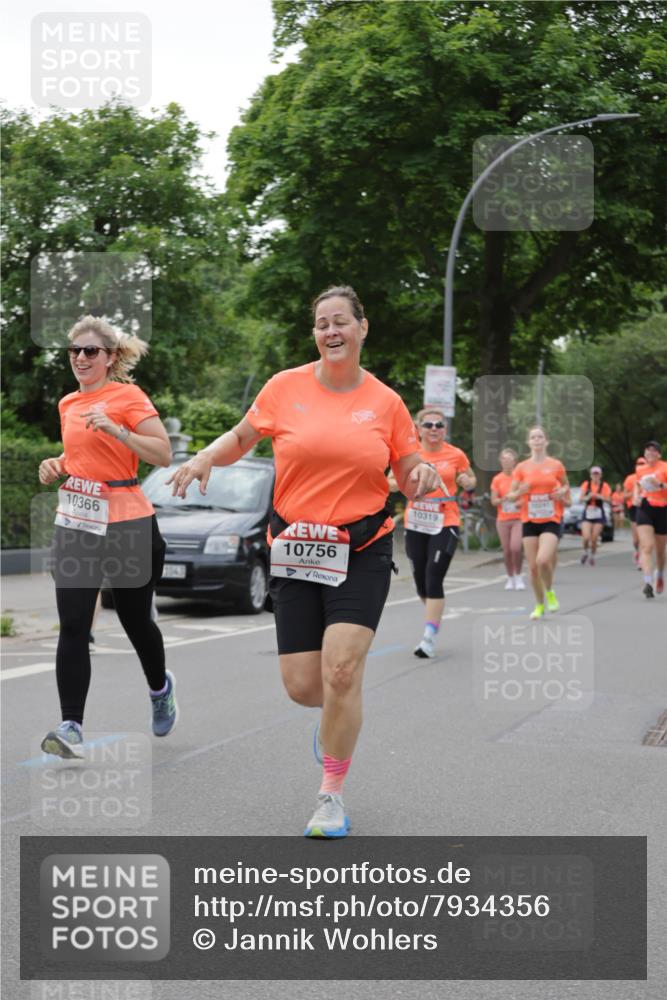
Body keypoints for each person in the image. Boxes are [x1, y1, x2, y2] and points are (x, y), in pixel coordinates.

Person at [167, 286, 440, 838]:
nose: (331, 331)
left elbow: (408, 469)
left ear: (363, 328)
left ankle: (331, 795)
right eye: (321, 324)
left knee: (341, 670)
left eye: (341, 321)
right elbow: (244, 436)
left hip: (360, 547)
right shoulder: (283, 387)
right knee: (303, 685)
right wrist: (203, 457)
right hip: (293, 548)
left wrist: (424, 477)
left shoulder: (386, 402)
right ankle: (335, 718)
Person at [38, 316, 177, 759]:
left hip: (128, 522)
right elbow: (83, 455)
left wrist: (119, 429)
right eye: (74, 351)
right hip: (78, 521)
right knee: (74, 625)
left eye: (91, 351)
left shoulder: (128, 396)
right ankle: (71, 726)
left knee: (137, 622)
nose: (81, 358)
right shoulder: (67, 404)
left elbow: (163, 452)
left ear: (110, 357)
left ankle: (160, 688)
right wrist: (56, 463)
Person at [391, 407, 475, 659]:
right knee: (420, 585)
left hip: (445, 520)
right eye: (428, 425)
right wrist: (404, 482)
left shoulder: (455, 454)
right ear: (418, 428)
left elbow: (470, 479)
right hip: (416, 521)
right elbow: (388, 481)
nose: (434, 429)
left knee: (433, 577)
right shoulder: (409, 453)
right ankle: (435, 615)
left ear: (445, 429)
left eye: (439, 424)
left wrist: (467, 483)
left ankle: (429, 636)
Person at [505, 426, 570, 620]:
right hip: (529, 519)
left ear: (546, 441)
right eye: (533, 437)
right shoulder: (521, 468)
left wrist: (562, 492)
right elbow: (510, 496)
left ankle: (549, 591)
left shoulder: (556, 465)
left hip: (550, 518)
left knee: (543, 560)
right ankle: (539, 604)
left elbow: (565, 485)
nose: (537, 440)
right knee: (533, 567)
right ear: (529, 442)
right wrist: (519, 492)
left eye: (540, 437)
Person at [632, 441, 667, 598]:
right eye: (648, 450)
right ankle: (648, 582)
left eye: (654, 451)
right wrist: (635, 497)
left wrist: (660, 485)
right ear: (645, 453)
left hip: (663, 509)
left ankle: (659, 575)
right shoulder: (640, 469)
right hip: (645, 507)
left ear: (659, 454)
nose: (650, 453)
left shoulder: (665, 467)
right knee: (646, 547)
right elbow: (637, 485)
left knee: (660, 551)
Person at [490, 448, 524, 590]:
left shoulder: (520, 478)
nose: (507, 462)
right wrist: (503, 500)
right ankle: (510, 578)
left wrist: (516, 503)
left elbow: (525, 498)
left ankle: (519, 575)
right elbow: (493, 501)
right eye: (504, 459)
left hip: (518, 518)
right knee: (507, 550)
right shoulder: (497, 479)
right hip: (503, 519)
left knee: (516, 547)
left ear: (514, 462)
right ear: (501, 462)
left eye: (509, 460)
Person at [578, 466, 611, 566]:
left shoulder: (604, 486)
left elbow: (608, 499)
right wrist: (588, 497)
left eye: (597, 474)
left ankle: (592, 555)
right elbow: (581, 499)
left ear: (600, 475)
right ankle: (585, 552)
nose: (595, 476)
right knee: (586, 537)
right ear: (591, 475)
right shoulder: (586, 484)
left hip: (598, 513)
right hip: (588, 513)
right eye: (594, 474)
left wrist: (599, 496)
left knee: (594, 538)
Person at [624, 457, 647, 568]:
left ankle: (642, 560)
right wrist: (633, 492)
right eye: (639, 464)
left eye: (643, 464)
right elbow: (623, 497)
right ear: (635, 466)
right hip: (633, 507)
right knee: (636, 539)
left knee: (643, 536)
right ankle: (637, 551)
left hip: (645, 507)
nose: (641, 466)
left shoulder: (649, 477)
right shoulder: (630, 478)